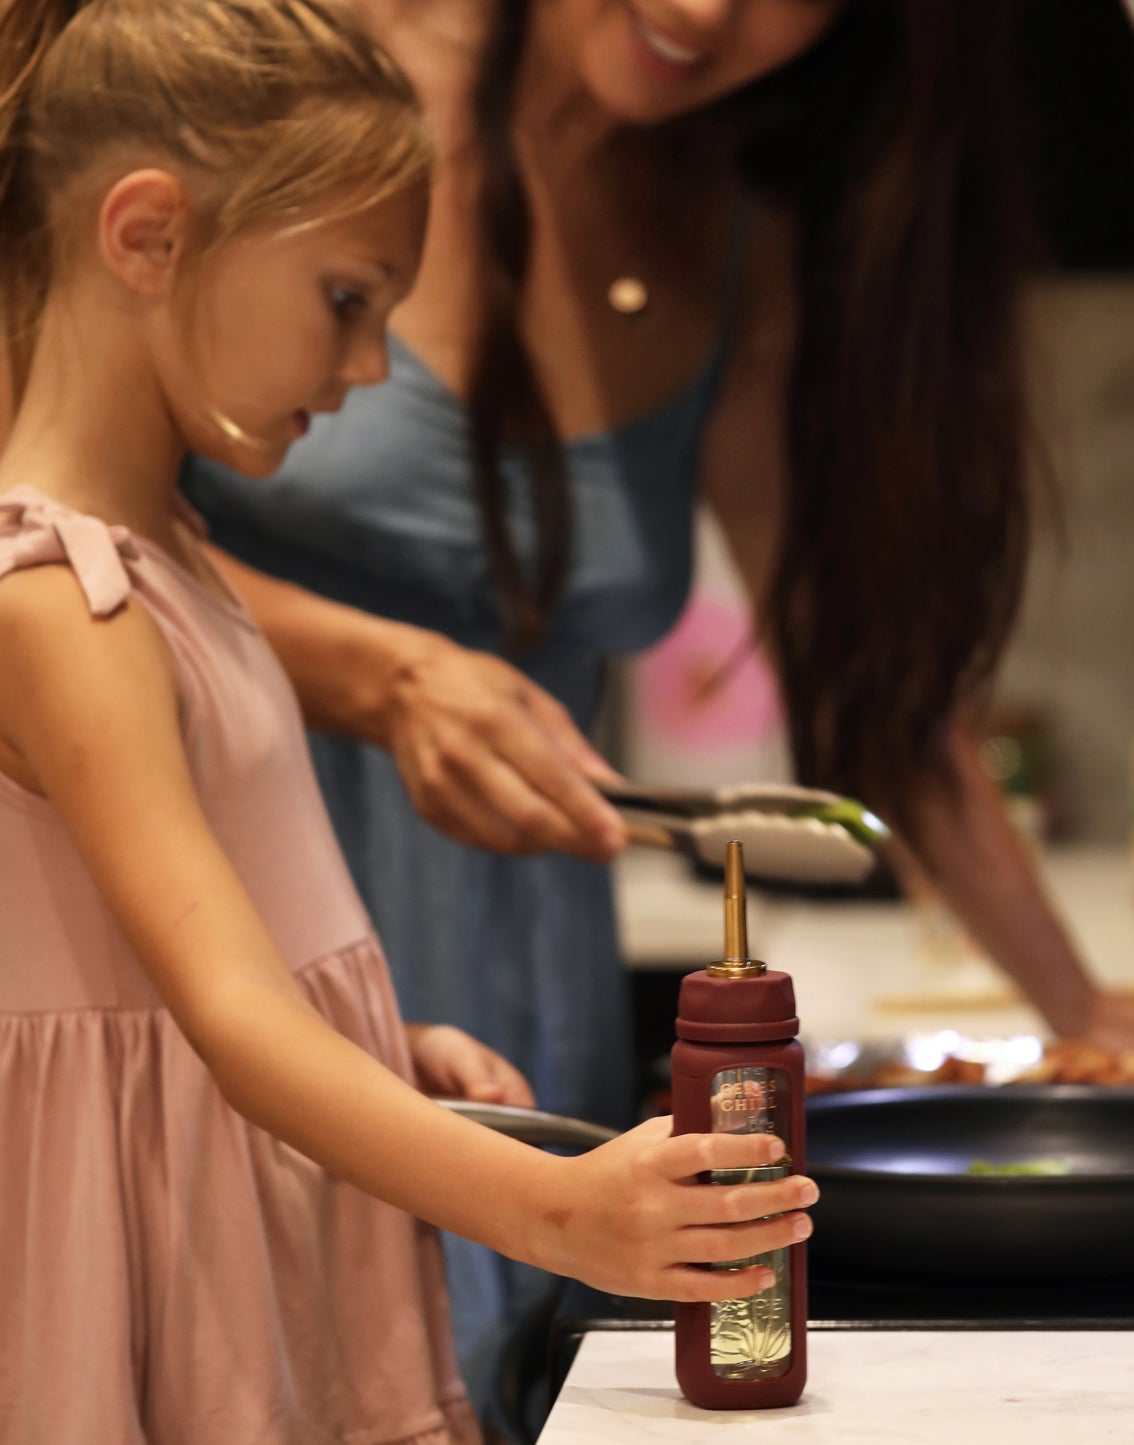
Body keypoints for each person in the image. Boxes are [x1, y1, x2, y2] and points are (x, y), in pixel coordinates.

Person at [178, 0, 1134, 1412]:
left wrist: (1080, 1001)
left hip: (508, 998)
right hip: (215, 943)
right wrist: (379, 671)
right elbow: (40, 523)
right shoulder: (274, 65)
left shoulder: (727, 244)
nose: (703, 10)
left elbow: (866, 685)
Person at [0, 2, 816, 1440]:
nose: (370, 366)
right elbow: (232, 1022)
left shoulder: (169, 556)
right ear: (147, 235)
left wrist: (377, 1036)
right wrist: (558, 1211)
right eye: (345, 298)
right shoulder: (65, 607)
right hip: (159, 1266)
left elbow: (185, 981)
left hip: (244, 1220)